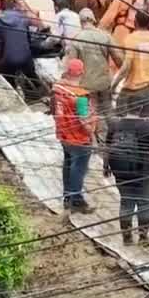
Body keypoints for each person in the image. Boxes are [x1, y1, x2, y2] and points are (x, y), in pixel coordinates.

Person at [104, 113, 149, 246]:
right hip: (143, 172)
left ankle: (127, 238)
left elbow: (107, 148)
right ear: (140, 109)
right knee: (144, 204)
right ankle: (143, 238)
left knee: (126, 203)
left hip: (121, 171)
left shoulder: (114, 125)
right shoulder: (146, 126)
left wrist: (106, 166)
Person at [65, 7, 122, 139]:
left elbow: (71, 65)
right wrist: (121, 74)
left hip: (86, 84)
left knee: (90, 111)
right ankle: (115, 136)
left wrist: (69, 84)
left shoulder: (76, 39)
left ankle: (92, 140)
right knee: (108, 109)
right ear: (93, 20)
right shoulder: (105, 36)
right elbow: (118, 58)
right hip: (104, 81)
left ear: (81, 22)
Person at [52, 58, 96, 214]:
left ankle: (67, 196)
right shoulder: (81, 96)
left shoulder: (57, 88)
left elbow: (53, 108)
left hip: (63, 133)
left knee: (68, 164)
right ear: (82, 72)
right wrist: (92, 134)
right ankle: (76, 199)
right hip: (79, 137)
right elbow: (84, 120)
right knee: (79, 168)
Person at [0, 0, 41, 99]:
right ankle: (39, 92)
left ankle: (14, 96)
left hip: (8, 61)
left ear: (1, 3)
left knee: (8, 82)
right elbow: (32, 33)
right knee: (32, 74)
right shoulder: (22, 17)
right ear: (14, 2)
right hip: (25, 58)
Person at [114, 10, 149, 118]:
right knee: (145, 122)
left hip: (131, 89)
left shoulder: (130, 38)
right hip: (148, 89)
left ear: (135, 21)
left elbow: (126, 66)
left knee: (120, 119)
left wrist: (114, 85)